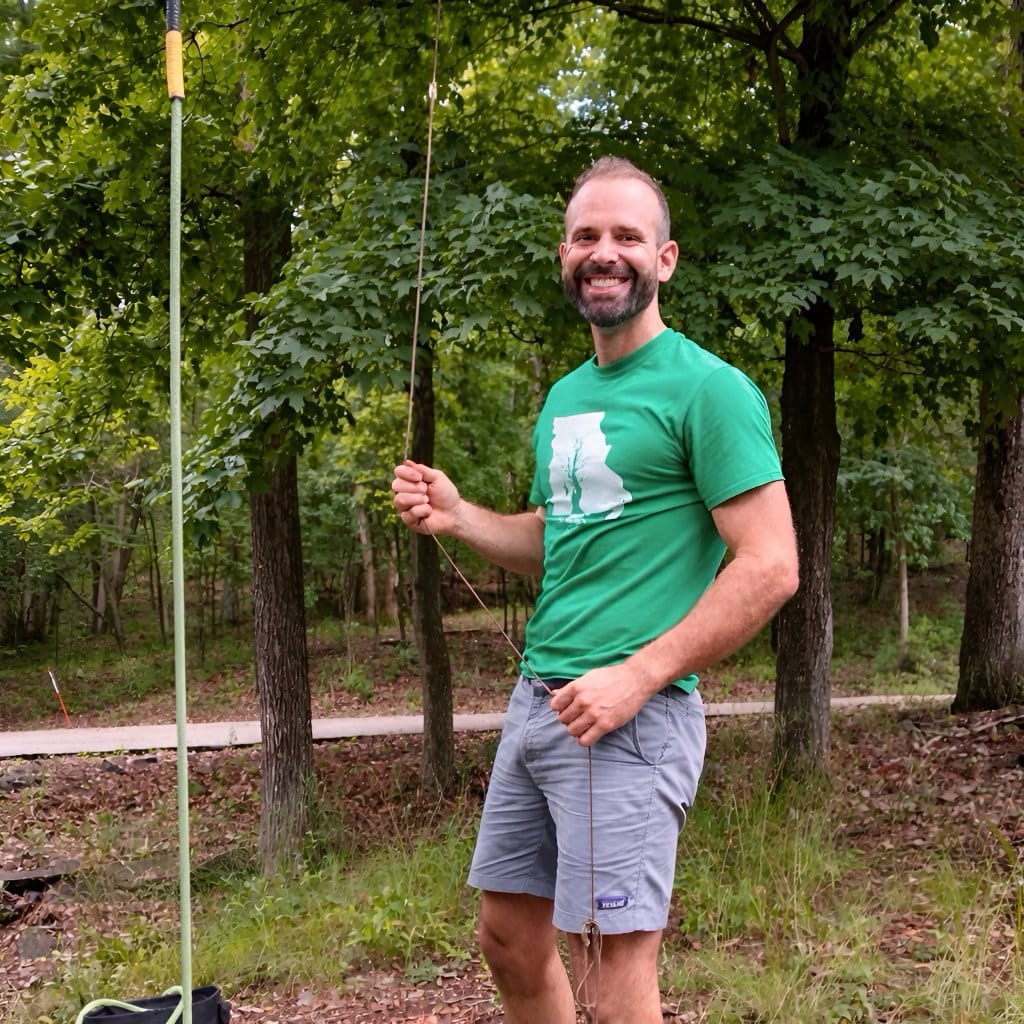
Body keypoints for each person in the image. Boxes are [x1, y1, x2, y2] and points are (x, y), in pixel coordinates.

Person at [392, 156, 799, 1024]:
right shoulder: (567, 396)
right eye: (586, 236)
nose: (603, 252)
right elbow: (562, 540)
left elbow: (771, 565)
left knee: (616, 979)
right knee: (508, 936)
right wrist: (463, 518)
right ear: (564, 256)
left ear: (665, 259)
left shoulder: (709, 390)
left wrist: (640, 674)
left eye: (626, 236)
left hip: (632, 716)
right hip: (539, 704)